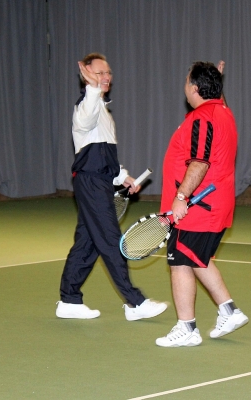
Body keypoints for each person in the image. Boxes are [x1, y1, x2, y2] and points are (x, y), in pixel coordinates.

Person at [56, 52, 167, 321]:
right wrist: (92, 89)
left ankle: (69, 300)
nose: (105, 77)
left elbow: (102, 155)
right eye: (99, 73)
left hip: (101, 182)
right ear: (86, 75)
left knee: (88, 243)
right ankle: (135, 303)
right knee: (109, 240)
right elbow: (83, 123)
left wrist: (122, 176)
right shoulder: (86, 105)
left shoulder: (103, 111)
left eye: (108, 73)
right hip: (91, 184)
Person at [156, 61, 248, 347]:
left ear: (194, 89)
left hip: (198, 206)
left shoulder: (202, 118)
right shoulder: (223, 112)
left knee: (180, 262)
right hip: (214, 205)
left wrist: (181, 197)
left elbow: (199, 162)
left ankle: (187, 328)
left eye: (187, 81)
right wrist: (217, 82)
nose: (185, 85)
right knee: (198, 259)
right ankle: (229, 310)